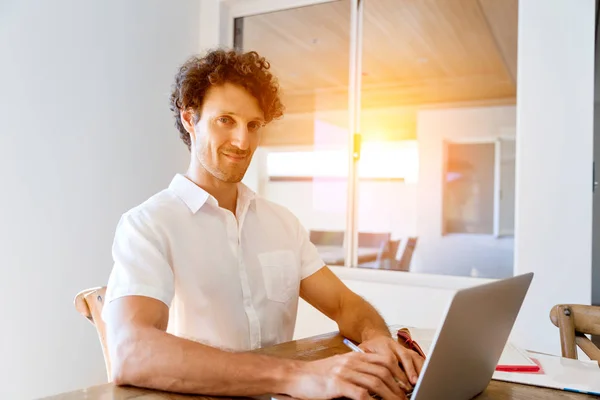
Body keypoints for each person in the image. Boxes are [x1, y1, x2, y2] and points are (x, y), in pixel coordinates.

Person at [103, 49, 424, 400]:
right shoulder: (148, 225)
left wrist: (378, 341)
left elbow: (346, 306)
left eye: (253, 125)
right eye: (225, 119)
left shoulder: (281, 223)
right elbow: (131, 350)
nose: (243, 141)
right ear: (190, 119)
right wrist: (297, 376)